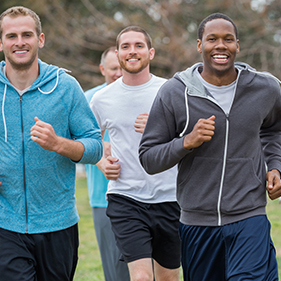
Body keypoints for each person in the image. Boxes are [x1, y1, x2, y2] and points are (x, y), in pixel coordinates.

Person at [139, 13, 281, 280]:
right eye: (212, 39)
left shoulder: (264, 88)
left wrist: (274, 167)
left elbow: (273, 130)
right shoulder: (174, 92)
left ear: (237, 46)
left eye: (228, 39)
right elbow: (149, 158)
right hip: (197, 222)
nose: (221, 46)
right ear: (199, 45)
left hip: (249, 214)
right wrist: (186, 142)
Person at [0, 6, 103, 280]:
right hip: (5, 223)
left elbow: (95, 147)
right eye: (11, 36)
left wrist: (59, 143)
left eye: (27, 34)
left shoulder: (65, 87)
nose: (19, 42)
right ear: (1, 42)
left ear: (40, 39)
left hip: (58, 224)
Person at [90, 26, 179, 281]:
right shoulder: (102, 98)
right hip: (125, 197)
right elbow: (88, 139)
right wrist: (101, 162)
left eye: (138, 45)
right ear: (117, 54)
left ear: (150, 53)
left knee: (168, 277)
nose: (132, 51)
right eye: (125, 46)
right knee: (140, 277)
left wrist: (162, 126)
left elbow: (190, 137)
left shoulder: (171, 90)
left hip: (169, 196)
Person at [84, 46, 128, 281]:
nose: (119, 74)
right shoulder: (89, 99)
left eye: (122, 67)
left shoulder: (138, 95)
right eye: (113, 69)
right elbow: (75, 143)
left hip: (142, 196)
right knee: (116, 270)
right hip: (103, 199)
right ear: (102, 69)